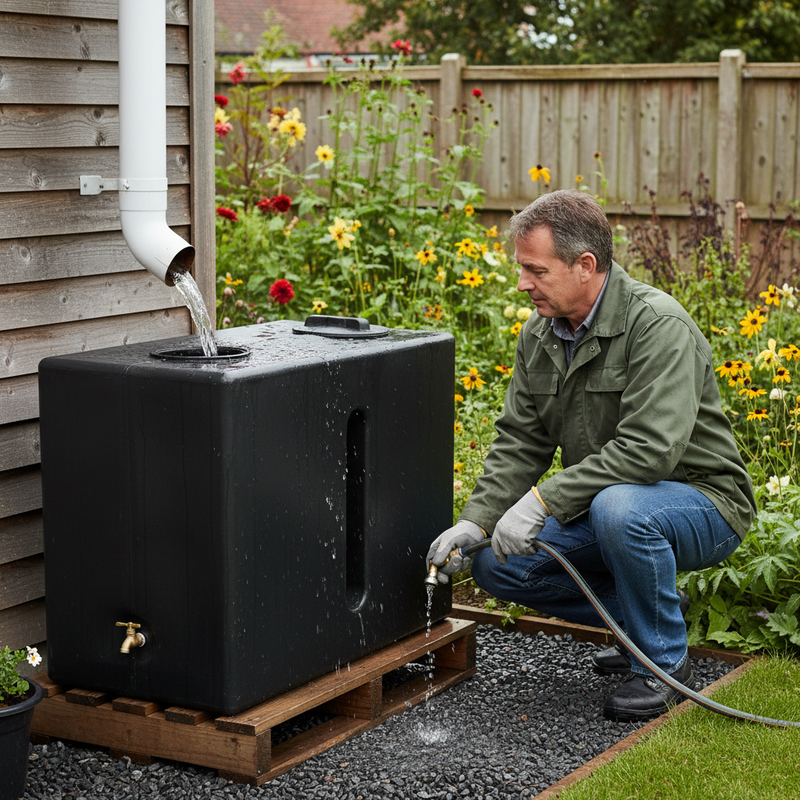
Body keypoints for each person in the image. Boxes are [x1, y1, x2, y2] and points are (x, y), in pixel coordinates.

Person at [428, 190, 756, 721]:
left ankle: (662, 665)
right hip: (605, 503)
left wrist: (542, 501)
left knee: (619, 509)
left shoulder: (657, 325)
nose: (522, 283)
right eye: (521, 268)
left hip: (703, 503)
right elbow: (521, 440)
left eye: (536, 270)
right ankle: (647, 615)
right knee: (497, 564)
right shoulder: (540, 335)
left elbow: (649, 452)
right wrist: (476, 521)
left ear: (585, 265)